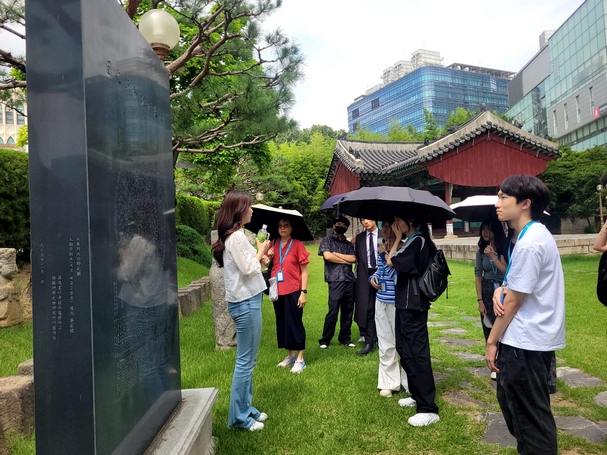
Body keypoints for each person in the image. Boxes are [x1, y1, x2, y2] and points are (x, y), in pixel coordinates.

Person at [486, 175, 565, 454]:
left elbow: (513, 303)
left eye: (503, 197)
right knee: (521, 413)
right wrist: (501, 289)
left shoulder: (530, 242)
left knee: (532, 423)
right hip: (528, 341)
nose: (497, 203)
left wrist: (491, 341)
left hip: (524, 343)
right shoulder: (532, 235)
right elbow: (517, 287)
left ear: (525, 203)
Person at [211, 191, 271, 432]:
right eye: (249, 207)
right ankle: (239, 418)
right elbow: (247, 269)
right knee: (245, 361)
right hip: (246, 303)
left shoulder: (236, 236)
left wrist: (260, 259)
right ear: (239, 211)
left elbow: (248, 267)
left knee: (249, 359)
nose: (252, 211)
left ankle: (246, 408)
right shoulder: (236, 237)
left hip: (248, 299)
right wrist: (261, 249)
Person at [387, 216, 440, 427]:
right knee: (404, 349)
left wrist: (397, 238)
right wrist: (399, 239)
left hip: (414, 305)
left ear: (411, 222)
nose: (396, 224)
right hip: (405, 304)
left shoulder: (418, 241)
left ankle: (428, 407)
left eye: (399, 221)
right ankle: (416, 394)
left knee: (417, 353)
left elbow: (392, 261)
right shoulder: (412, 242)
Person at [369, 220, 408, 397]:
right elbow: (381, 271)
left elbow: (397, 271)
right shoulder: (382, 249)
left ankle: (407, 381)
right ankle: (388, 382)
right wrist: (372, 279)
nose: (385, 229)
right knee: (385, 342)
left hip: (397, 301)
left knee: (402, 342)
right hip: (381, 300)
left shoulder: (404, 248)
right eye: (383, 226)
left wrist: (390, 251)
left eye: (388, 225)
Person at [267, 217, 310, 373]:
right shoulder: (274, 243)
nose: (282, 228)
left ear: (292, 228)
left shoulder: (297, 244)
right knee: (283, 323)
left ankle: (300, 359)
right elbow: (265, 263)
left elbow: (304, 270)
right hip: (277, 290)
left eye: (286, 225)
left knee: (295, 323)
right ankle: (290, 355)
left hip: (294, 290)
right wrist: (268, 256)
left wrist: (303, 292)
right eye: (280, 225)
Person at [318, 216, 357, 349]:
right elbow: (327, 256)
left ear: (346, 227)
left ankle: (345, 338)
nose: (340, 226)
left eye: (343, 224)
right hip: (335, 280)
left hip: (349, 280)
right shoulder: (327, 240)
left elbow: (353, 259)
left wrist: (336, 254)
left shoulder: (348, 244)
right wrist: (344, 259)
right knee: (333, 310)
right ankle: (325, 340)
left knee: (348, 311)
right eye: (338, 223)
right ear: (334, 225)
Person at [474, 220, 507, 344]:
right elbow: (478, 276)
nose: (485, 232)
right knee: (489, 327)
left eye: (489, 229)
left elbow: (507, 271)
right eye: (483, 229)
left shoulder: (504, 249)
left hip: (503, 288)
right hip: (487, 290)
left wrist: (494, 257)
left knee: (503, 327)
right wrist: (480, 301)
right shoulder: (481, 252)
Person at [353, 218, 380, 356]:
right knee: (367, 307)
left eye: (368, 218)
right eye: (362, 219)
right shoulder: (360, 238)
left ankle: (382, 337)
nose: (365, 222)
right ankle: (370, 341)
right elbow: (358, 258)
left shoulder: (384, 234)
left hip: (381, 272)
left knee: (381, 308)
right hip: (365, 274)